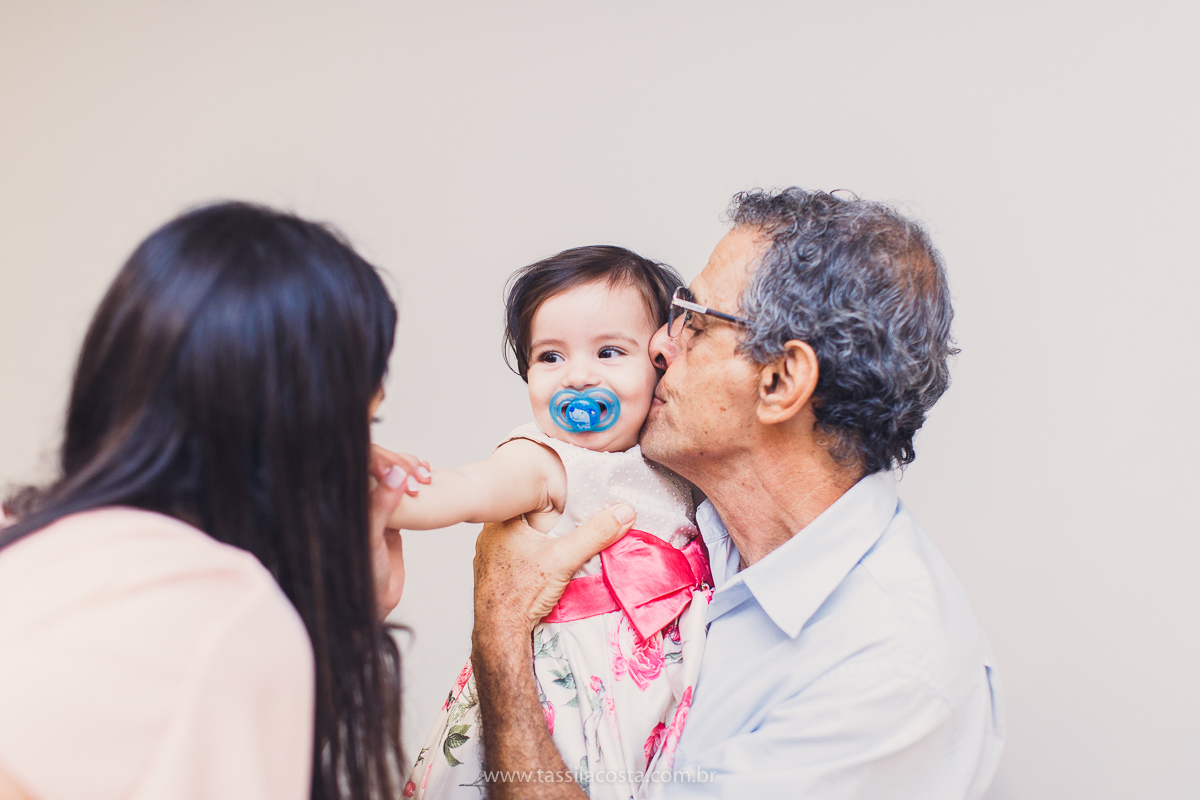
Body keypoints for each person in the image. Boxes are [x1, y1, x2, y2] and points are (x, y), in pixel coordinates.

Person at [467, 188, 1006, 798]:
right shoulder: (694, 526)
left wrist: (502, 628)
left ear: (779, 382)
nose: (660, 345)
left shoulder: (885, 673)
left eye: (694, 321)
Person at [0, 202, 431, 800]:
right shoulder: (224, 615)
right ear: (301, 432)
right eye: (364, 419)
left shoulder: (22, 543)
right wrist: (340, 618)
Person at [396, 247, 711, 800]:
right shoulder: (545, 461)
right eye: (550, 358)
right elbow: (468, 490)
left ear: (661, 362)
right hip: (561, 707)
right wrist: (391, 494)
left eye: (609, 352)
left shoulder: (679, 469)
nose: (580, 377)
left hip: (654, 702)